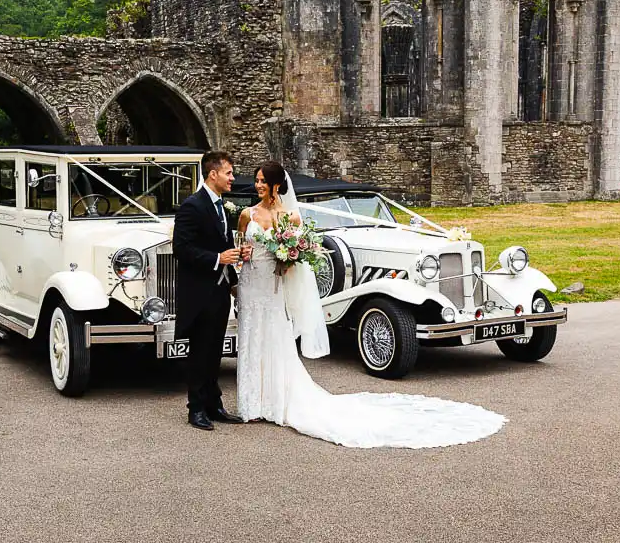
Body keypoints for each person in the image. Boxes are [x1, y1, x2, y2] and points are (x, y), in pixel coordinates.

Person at [235, 160, 508, 448]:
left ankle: (275, 400)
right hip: (253, 284)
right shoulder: (246, 214)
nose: (258, 184)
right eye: (256, 180)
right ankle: (253, 403)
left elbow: (296, 258)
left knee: (275, 339)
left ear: (276, 184)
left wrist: (287, 260)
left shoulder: (291, 217)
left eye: (263, 180)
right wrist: (242, 259)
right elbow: (241, 246)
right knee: (253, 337)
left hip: (273, 286)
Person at [172, 150, 249, 431]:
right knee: (199, 353)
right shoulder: (193, 205)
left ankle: (214, 404)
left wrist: (233, 277)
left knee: (214, 350)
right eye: (229, 173)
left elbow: (222, 245)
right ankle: (196, 409)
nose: (233, 178)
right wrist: (218, 259)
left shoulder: (220, 205)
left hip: (218, 293)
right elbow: (181, 249)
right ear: (213, 174)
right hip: (199, 293)